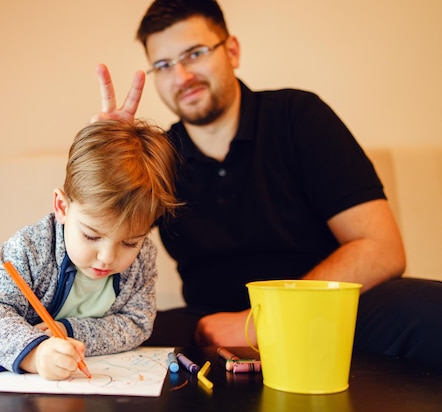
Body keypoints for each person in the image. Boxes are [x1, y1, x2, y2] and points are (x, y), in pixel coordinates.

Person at [91, 0, 442, 369]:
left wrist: (264, 321)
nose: (181, 77)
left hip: (324, 308)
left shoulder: (298, 117)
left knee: (430, 311)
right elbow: (98, 243)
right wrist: (108, 155)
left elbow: (382, 248)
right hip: (210, 323)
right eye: (163, 65)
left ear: (232, 51)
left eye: (194, 54)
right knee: (98, 339)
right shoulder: (160, 154)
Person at [0, 119, 179, 380]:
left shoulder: (143, 258)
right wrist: (36, 353)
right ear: (62, 207)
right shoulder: (30, 249)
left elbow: (137, 323)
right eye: (92, 236)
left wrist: (68, 330)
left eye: (129, 242)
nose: (107, 257)